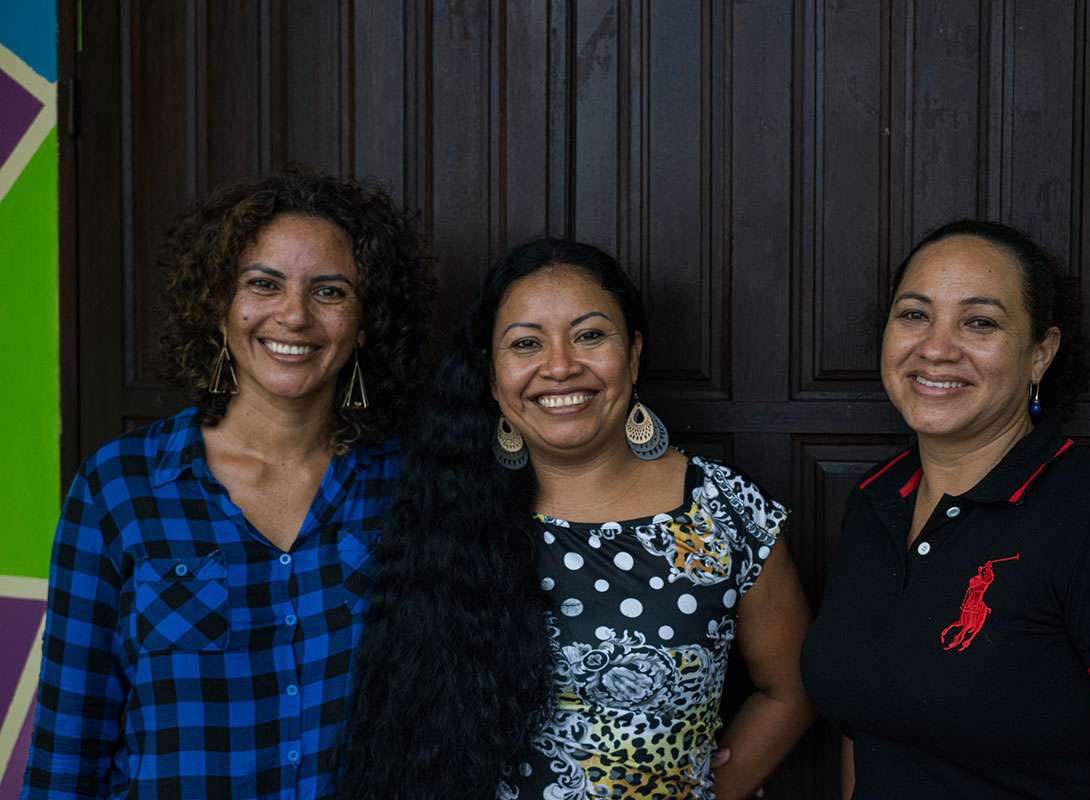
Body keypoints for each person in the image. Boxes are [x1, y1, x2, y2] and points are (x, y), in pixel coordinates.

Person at [339, 238, 815, 800]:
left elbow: (793, 688)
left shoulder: (728, 511)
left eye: (590, 335)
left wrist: (713, 789)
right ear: (492, 377)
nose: (561, 367)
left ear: (633, 354)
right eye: (526, 343)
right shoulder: (445, 509)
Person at [21, 166, 434, 799]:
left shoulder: (412, 483)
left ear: (365, 321)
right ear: (218, 303)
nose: (293, 315)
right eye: (263, 284)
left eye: (330, 291)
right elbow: (69, 743)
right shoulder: (123, 485)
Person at [799, 220, 1090, 798]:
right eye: (914, 315)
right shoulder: (875, 502)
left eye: (979, 322)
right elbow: (867, 730)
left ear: (1041, 353)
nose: (936, 348)